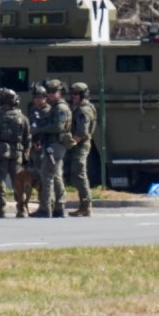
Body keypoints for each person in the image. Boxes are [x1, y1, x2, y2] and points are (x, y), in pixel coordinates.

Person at [0, 88, 31, 218]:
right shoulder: (22, 118)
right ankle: (22, 209)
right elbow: (27, 138)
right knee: (19, 181)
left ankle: (0, 208)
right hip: (17, 153)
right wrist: (26, 152)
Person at [30, 79, 72, 218]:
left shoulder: (60, 108)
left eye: (54, 92)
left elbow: (57, 127)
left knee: (47, 175)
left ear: (60, 92)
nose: (50, 95)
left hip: (56, 145)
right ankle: (59, 207)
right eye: (49, 92)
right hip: (52, 144)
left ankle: (45, 208)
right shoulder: (55, 107)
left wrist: (39, 130)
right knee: (56, 176)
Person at [67, 82, 97, 217]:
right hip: (79, 144)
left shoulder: (83, 110)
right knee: (77, 173)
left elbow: (81, 132)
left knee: (79, 173)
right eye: (72, 94)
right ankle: (84, 205)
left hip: (80, 145)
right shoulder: (80, 108)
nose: (73, 97)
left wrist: (70, 144)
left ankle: (86, 205)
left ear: (83, 95)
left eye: (75, 94)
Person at [27, 84, 50, 206]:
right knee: (35, 173)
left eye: (40, 97)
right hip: (34, 146)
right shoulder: (33, 110)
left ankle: (46, 202)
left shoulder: (48, 111)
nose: (38, 99)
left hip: (44, 146)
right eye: (36, 97)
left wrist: (41, 143)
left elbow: (46, 130)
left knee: (44, 175)